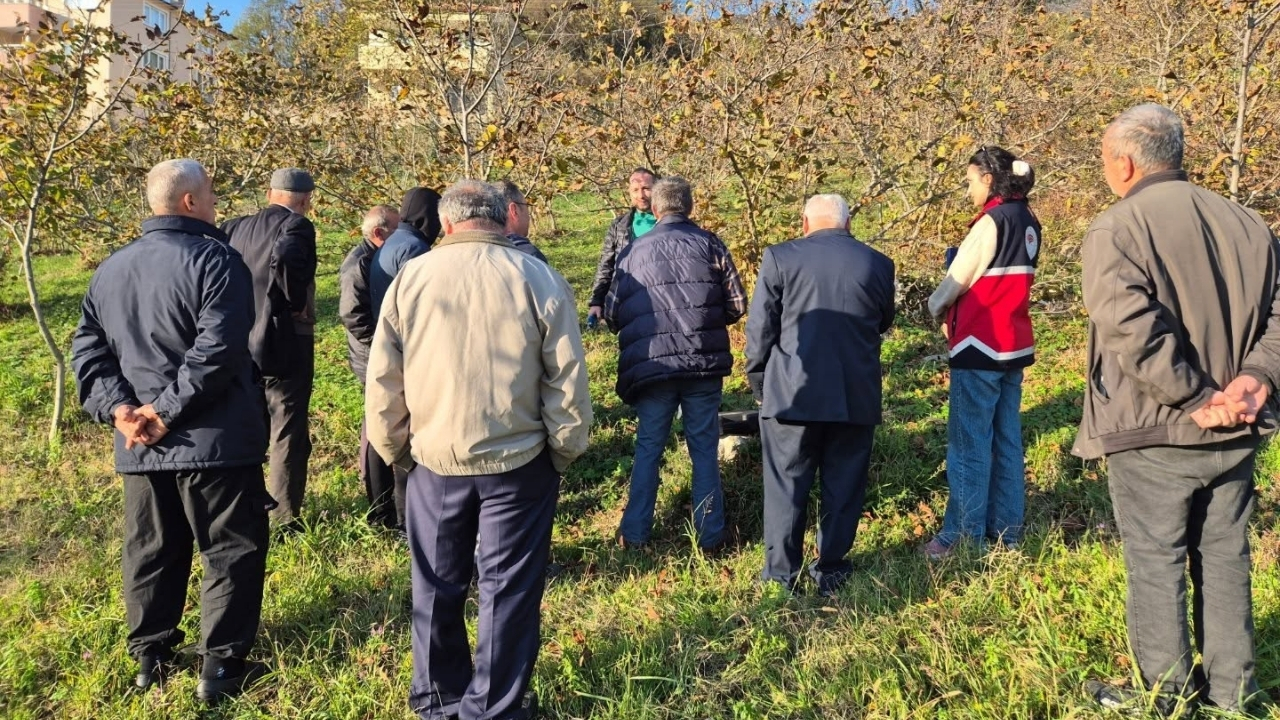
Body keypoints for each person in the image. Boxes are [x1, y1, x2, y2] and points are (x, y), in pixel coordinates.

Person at [1073, 104, 1280, 716]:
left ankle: (1164, 700)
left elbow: (1129, 330)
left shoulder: (1115, 229)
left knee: (1156, 561)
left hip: (1155, 428)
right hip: (1238, 427)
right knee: (1225, 558)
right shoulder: (1249, 224)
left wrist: (1196, 398)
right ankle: (1234, 695)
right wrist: (1255, 379)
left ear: (1125, 161)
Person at [366, 180, 592, 720]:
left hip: (434, 462)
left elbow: (383, 382)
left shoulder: (411, 279)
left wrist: (398, 451)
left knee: (436, 588)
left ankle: (439, 698)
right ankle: (493, 706)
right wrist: (562, 451)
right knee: (507, 592)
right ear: (503, 217)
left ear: (447, 224)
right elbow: (567, 381)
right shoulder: (538, 276)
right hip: (518, 463)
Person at [71, 159, 271, 702]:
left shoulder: (111, 268)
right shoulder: (217, 261)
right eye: (210, 194)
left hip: (141, 444)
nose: (214, 203)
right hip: (214, 441)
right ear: (188, 202)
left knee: (150, 550)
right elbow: (219, 349)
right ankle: (222, 668)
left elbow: (87, 349)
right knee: (229, 549)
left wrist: (121, 411)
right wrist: (162, 411)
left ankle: (150, 657)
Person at [745, 194, 895, 596]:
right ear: (847, 224)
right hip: (855, 392)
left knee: (785, 488)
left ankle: (781, 577)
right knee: (844, 487)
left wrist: (760, 384)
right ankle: (833, 571)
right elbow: (883, 321)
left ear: (805, 222)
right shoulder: (878, 263)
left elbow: (760, 330)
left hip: (792, 393)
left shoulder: (780, 257)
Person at [604, 176, 747, 551]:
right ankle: (710, 537)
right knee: (704, 449)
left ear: (655, 208)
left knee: (649, 448)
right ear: (690, 207)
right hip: (703, 362)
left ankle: (634, 535)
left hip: (652, 368)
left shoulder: (633, 252)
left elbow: (612, 310)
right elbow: (737, 304)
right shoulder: (711, 244)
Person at [920, 146, 1041, 560]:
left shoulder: (991, 222)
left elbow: (957, 280)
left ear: (989, 179)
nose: (968, 188)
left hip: (979, 343)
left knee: (969, 442)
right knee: (1006, 441)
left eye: (970, 179)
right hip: (1014, 344)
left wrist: (934, 307)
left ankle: (961, 535)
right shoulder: (1028, 221)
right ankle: (1006, 532)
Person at [222, 167, 318, 529]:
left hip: (238, 342)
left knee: (248, 425)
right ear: (307, 200)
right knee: (287, 428)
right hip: (283, 341)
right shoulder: (297, 226)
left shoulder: (234, 226)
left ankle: (243, 504)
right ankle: (284, 517)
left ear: (269, 193)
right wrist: (291, 302)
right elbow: (291, 264)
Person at [339, 204, 406, 531]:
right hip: (371, 360)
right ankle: (381, 509)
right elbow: (353, 316)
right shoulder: (360, 264)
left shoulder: (377, 257)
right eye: (396, 229)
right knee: (378, 427)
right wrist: (385, 344)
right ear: (378, 233)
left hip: (378, 356)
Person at [587, 168, 656, 324]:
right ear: (629, 192)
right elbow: (606, 264)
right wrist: (597, 302)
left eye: (646, 189)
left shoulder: (668, 223)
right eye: (635, 190)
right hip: (628, 299)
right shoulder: (619, 225)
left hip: (660, 298)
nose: (641, 195)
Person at [370, 187, 441, 316]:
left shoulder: (392, 241)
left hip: (386, 326)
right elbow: (420, 302)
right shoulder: (414, 247)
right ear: (429, 217)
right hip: (404, 330)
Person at [495, 179, 549, 263]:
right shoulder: (528, 256)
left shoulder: (474, 251)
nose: (528, 214)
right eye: (526, 206)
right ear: (514, 210)